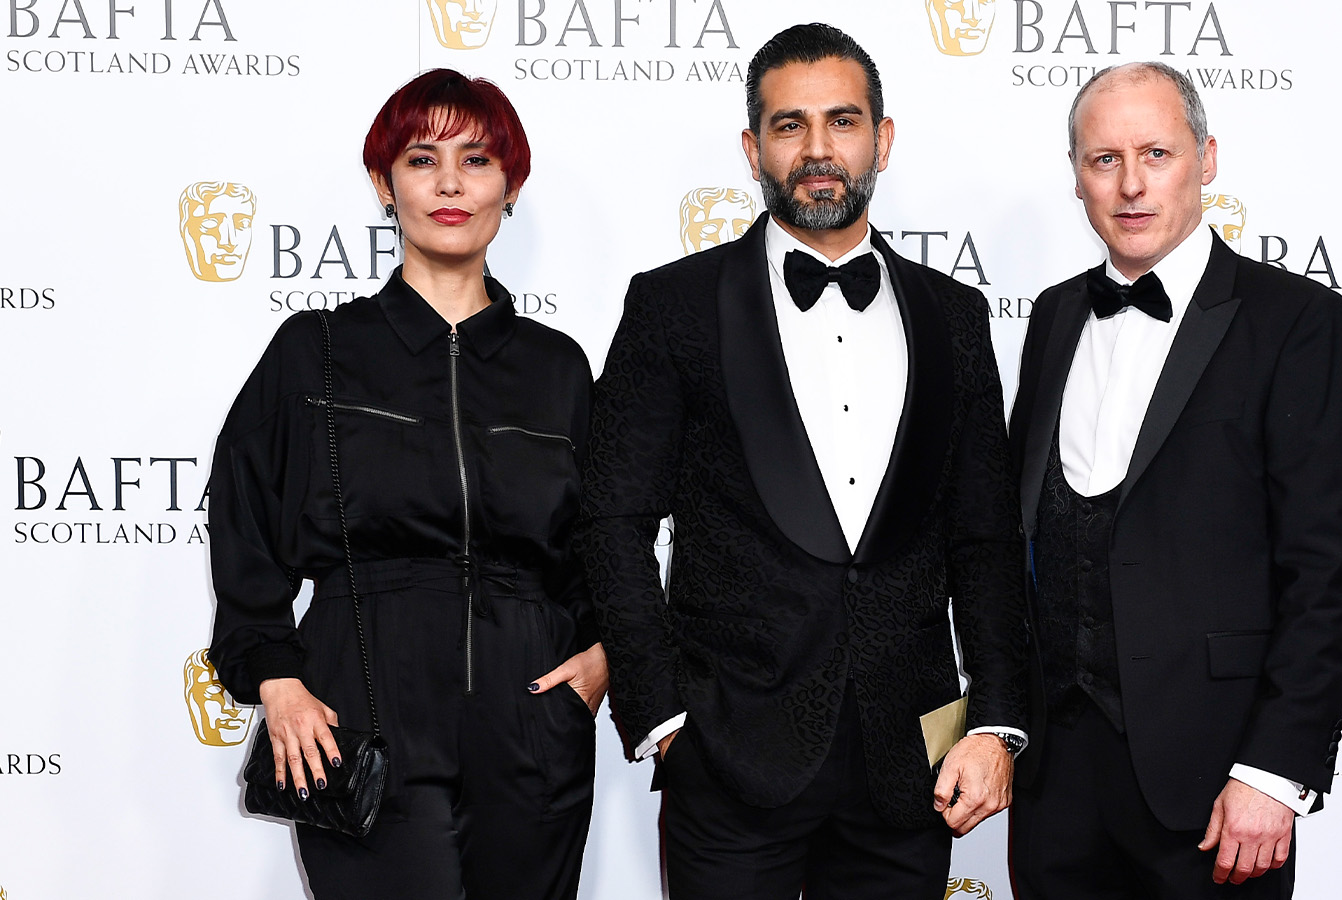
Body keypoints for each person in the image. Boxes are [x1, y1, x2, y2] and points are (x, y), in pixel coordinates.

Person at [578, 23, 1028, 900]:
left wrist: (1000, 720)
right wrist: (665, 715)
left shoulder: (955, 316)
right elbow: (614, 520)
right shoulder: (673, 306)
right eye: (790, 126)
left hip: (910, 769)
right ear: (752, 149)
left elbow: (985, 539)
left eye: (843, 121)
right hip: (730, 758)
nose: (818, 150)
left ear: (882, 140)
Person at [207, 68, 605, 900]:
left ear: (512, 185)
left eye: (478, 159)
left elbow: (603, 537)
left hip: (532, 723)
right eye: (423, 159)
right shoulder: (313, 350)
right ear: (384, 184)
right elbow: (243, 521)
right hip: (358, 712)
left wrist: (605, 656)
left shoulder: (557, 367)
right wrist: (275, 676)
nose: (451, 183)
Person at [1007, 62, 1342, 898]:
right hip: (1058, 778)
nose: (1131, 184)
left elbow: (1327, 567)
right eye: (1104, 160)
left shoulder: (1298, 323)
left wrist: (1274, 772)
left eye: (1157, 153)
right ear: (1075, 177)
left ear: (1206, 159)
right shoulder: (1057, 314)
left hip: (1217, 784)